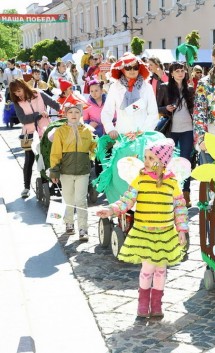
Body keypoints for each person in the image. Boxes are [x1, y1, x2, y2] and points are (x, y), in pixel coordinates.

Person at [96, 138, 188, 318]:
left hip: (165, 232)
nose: (146, 161)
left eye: (151, 158)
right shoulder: (141, 179)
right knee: (147, 268)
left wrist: (182, 229)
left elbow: (180, 207)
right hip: (144, 231)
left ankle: (156, 304)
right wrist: (111, 210)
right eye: (145, 157)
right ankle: (143, 303)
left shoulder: (172, 182)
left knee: (161, 269)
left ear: (162, 161)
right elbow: (127, 200)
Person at [50, 102, 96, 241]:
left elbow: (93, 148)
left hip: (83, 171)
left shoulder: (87, 131)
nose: (74, 115)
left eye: (77, 112)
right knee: (68, 199)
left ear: (81, 114)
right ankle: (69, 223)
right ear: (66, 114)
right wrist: (54, 171)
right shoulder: (60, 132)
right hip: (66, 171)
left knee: (81, 200)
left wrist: (101, 145)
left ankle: (83, 228)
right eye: (70, 112)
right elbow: (56, 152)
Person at [9, 79, 61, 198]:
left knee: (48, 157)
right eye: (15, 93)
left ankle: (51, 183)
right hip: (28, 133)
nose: (18, 94)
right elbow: (22, 119)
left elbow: (56, 105)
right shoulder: (17, 102)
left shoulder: (39, 94)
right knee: (29, 159)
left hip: (44, 131)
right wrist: (37, 115)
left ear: (24, 86)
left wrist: (68, 110)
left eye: (18, 91)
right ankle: (27, 187)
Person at [157, 62, 195, 207]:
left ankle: (186, 194)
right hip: (170, 129)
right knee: (167, 161)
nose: (180, 73)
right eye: (177, 71)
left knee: (186, 162)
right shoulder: (164, 88)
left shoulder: (190, 89)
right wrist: (166, 108)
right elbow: (157, 107)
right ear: (171, 73)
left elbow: (194, 109)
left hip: (187, 129)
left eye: (182, 71)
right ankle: (168, 192)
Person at [101, 53, 159, 139]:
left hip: (142, 136)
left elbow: (153, 113)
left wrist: (142, 131)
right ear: (122, 69)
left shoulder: (147, 87)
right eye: (128, 67)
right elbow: (107, 112)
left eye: (135, 67)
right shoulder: (115, 87)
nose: (132, 71)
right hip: (122, 135)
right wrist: (110, 129)